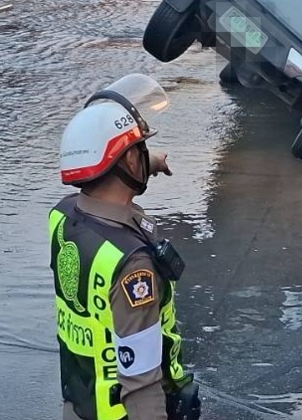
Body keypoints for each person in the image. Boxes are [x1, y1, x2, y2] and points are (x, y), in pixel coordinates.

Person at [51, 74, 202, 420]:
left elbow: (101, 176)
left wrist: (149, 161)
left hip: (80, 401)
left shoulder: (63, 215)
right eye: (139, 152)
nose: (142, 157)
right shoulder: (134, 268)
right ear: (128, 162)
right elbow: (142, 382)